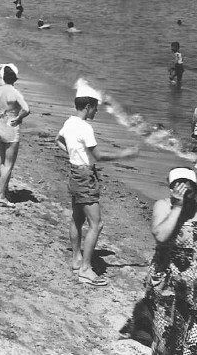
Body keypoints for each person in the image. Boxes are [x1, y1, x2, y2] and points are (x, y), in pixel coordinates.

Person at [55, 84, 138, 286]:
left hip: (75, 172)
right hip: (85, 176)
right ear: (88, 106)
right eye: (95, 107)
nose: (97, 111)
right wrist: (124, 154)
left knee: (77, 218)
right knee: (96, 224)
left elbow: (57, 140)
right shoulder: (85, 127)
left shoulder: (69, 122)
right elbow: (98, 156)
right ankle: (85, 269)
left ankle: (76, 260)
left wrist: (74, 155)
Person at [146, 167, 197, 354]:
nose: (183, 190)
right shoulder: (163, 206)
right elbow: (161, 236)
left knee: (196, 343)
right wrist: (177, 207)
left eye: (188, 186)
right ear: (171, 188)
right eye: (178, 185)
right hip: (168, 287)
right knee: (166, 341)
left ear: (195, 188)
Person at [0, 64, 30, 207]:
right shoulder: (15, 93)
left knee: (3, 162)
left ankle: (4, 191)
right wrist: (18, 118)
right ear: (15, 78)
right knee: (9, 164)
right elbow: (26, 109)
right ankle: (1, 196)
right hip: (10, 129)